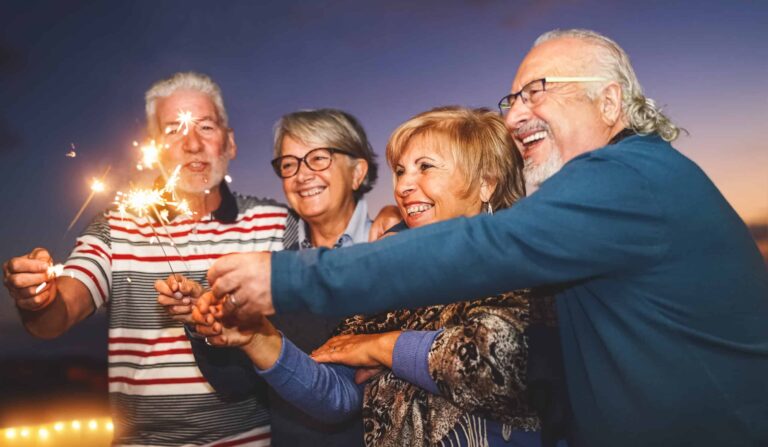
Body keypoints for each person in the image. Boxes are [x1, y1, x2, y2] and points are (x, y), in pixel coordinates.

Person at [204, 29, 768, 447]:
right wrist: (258, 337)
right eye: (512, 98)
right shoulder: (608, 201)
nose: (517, 113)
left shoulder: (627, 179)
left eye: (537, 91)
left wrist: (285, 277)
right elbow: (338, 391)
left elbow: (494, 306)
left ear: (610, 102)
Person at [196, 106, 552, 446]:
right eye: (400, 171)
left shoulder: (521, 261)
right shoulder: (390, 280)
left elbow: (498, 363)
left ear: (486, 184)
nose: (404, 186)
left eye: (424, 167)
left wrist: (381, 346)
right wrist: (257, 338)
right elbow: (337, 396)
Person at [2, 71, 296, 446]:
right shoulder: (115, 226)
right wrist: (36, 295)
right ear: (155, 148)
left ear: (230, 143)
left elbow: (313, 321)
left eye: (205, 126)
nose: (192, 143)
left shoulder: (274, 223)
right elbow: (54, 319)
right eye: (174, 129)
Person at [160, 108, 378, 446]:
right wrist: (202, 323)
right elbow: (237, 384)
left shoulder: (393, 252)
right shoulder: (275, 270)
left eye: (318, 158)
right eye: (289, 164)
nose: (301, 175)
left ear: (357, 171)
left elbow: (348, 398)